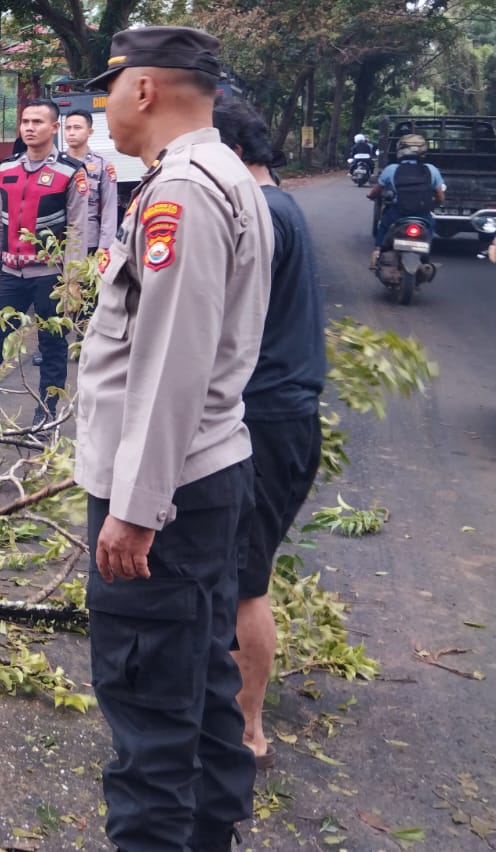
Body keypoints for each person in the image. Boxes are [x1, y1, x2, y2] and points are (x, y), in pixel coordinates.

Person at [75, 26, 272, 852]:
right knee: (201, 681)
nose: (103, 106)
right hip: (204, 480)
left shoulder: (181, 191)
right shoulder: (222, 174)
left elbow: (168, 364)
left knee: (150, 711)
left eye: (108, 89)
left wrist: (137, 508)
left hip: (167, 498)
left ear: (145, 89)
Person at [213, 97, 327, 773]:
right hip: (284, 415)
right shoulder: (283, 206)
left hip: (266, 420)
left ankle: (247, 731)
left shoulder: (263, 215)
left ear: (229, 150)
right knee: (238, 572)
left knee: (246, 580)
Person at [0, 99, 87, 423]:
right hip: (11, 275)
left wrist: (71, 283)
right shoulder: (7, 170)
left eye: (38, 122)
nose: (30, 127)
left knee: (52, 347)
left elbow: (77, 230)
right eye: (25, 122)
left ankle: (45, 416)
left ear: (54, 127)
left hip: (50, 276)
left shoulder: (71, 172)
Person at [367, 133, 444, 266]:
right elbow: (441, 197)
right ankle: (425, 252)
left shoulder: (391, 169)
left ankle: (378, 251)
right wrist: (436, 203)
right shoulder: (432, 170)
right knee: (431, 226)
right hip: (423, 213)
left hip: (398, 212)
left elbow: (376, 191)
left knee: (383, 226)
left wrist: (371, 196)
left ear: (400, 150)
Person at [63, 108, 119, 252]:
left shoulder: (103, 165)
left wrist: (105, 247)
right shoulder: (57, 164)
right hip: (58, 241)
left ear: (90, 132)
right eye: (68, 128)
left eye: (77, 128)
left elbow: (109, 209)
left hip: (89, 241)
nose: (71, 132)